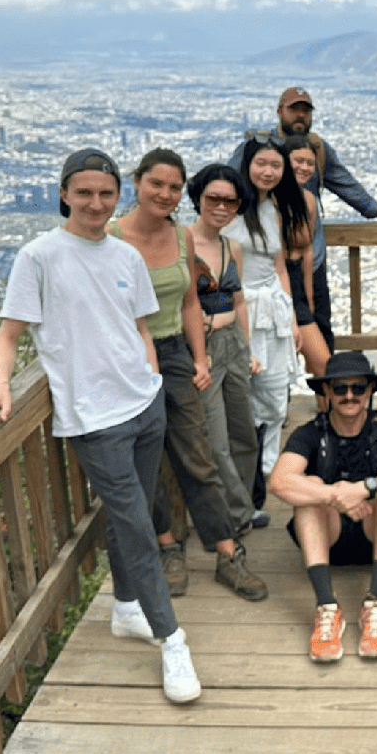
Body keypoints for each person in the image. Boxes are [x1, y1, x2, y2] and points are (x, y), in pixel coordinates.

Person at [0, 148, 200, 704]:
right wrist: (0, 383)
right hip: (94, 418)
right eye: (84, 192)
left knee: (131, 509)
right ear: (64, 194)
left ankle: (124, 609)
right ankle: (172, 640)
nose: (95, 203)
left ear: (119, 196)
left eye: (105, 193)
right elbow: (9, 335)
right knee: (138, 524)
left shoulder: (126, 256)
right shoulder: (40, 256)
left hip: (143, 402)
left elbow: (139, 326)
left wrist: (150, 377)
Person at [111, 149, 268, 602]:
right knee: (151, 459)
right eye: (156, 183)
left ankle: (226, 550)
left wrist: (199, 360)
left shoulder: (180, 239)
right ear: (137, 182)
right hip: (128, 359)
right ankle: (169, 546)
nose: (164, 193)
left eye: (173, 186)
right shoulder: (111, 237)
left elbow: (188, 303)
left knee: (196, 452)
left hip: (176, 351)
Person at [268, 352, 377, 662]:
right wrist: (334, 496)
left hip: (376, 533)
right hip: (329, 535)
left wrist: (362, 489)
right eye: (340, 389)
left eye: (358, 388)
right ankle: (326, 607)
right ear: (326, 392)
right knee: (308, 491)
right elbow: (279, 482)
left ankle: (376, 603)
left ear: (369, 390)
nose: (349, 396)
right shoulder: (310, 433)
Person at [231, 87, 377, 352]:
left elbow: (345, 182)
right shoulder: (258, 147)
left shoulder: (317, 149)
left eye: (306, 111)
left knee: (320, 329)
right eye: (294, 109)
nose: (300, 116)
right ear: (280, 111)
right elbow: (226, 185)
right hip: (265, 260)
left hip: (310, 260)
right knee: (272, 337)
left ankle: (326, 391)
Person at [228, 140, 307, 505]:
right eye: (261, 164)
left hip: (273, 309)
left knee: (275, 397)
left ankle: (268, 470)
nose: (268, 172)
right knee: (245, 397)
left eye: (276, 166)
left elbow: (280, 269)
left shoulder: (274, 212)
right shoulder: (229, 210)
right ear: (247, 165)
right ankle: (248, 483)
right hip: (240, 308)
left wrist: (291, 319)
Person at [185, 163, 260, 545]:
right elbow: (182, 306)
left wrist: (248, 349)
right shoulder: (182, 244)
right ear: (198, 198)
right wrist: (200, 351)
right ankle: (232, 514)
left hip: (233, 344)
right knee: (215, 438)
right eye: (213, 198)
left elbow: (240, 300)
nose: (221, 207)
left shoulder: (233, 246)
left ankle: (243, 502)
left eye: (231, 201)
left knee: (244, 431)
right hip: (205, 347)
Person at [285, 144, 333, 378]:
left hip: (296, 280)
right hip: (270, 284)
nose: (304, 168)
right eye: (298, 161)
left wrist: (309, 300)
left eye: (310, 163)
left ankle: (327, 412)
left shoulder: (308, 201)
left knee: (322, 364)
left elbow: (306, 251)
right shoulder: (266, 201)